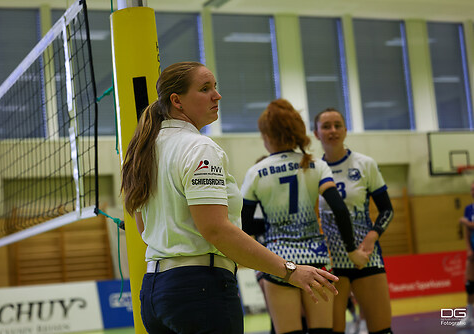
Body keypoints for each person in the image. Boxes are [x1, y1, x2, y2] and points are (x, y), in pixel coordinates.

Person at [120, 62, 339, 334]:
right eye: (205, 89)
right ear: (177, 101)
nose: (217, 95)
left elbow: (144, 231)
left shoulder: (143, 150)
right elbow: (215, 229)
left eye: (215, 87)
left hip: (154, 293)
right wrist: (290, 270)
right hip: (200, 291)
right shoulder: (198, 147)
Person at [241, 99, 368, 334]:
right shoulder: (316, 165)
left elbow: (246, 224)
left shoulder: (255, 172)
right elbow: (339, 209)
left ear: (268, 135)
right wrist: (352, 250)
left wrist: (273, 224)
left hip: (279, 263)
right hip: (317, 261)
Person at [313, 108, 394, 334]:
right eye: (326, 126)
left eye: (338, 125)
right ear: (316, 133)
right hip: (331, 263)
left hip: (365, 257)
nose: (333, 130)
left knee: (382, 330)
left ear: (346, 130)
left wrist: (373, 234)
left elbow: (387, 209)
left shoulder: (364, 164)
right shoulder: (313, 170)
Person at [459, 181, 474, 326]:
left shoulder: (467, 218)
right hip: (473, 253)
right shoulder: (469, 209)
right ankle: (469, 317)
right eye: (471, 189)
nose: (473, 191)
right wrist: (469, 249)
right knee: (470, 284)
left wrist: (466, 222)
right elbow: (467, 231)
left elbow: (469, 225)